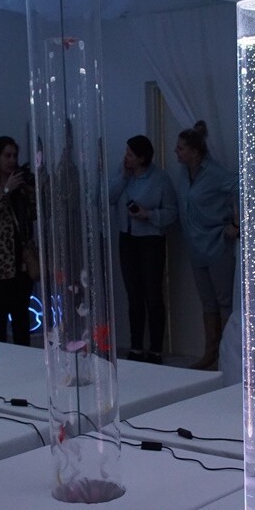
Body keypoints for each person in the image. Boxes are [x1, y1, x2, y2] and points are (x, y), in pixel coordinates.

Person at [172, 122, 239, 370]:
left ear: (194, 151)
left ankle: (228, 355)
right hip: (196, 246)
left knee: (224, 301)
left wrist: (236, 224)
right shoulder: (184, 173)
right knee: (208, 302)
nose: (176, 151)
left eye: (181, 148)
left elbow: (241, 187)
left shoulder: (215, 173)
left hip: (217, 244)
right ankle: (210, 353)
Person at [109, 135, 178, 364]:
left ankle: (156, 349)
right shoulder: (123, 174)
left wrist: (148, 214)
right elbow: (107, 197)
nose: (126, 157)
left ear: (142, 158)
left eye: (130, 154)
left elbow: (172, 212)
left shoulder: (160, 179)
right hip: (126, 238)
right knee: (134, 295)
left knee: (152, 294)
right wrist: (122, 177)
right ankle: (136, 347)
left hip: (150, 240)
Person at [0, 136, 36, 346]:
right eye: (7, 156)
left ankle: (25, 361)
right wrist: (6, 191)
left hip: (21, 266)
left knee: (21, 322)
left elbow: (35, 214)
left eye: (14, 156)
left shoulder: (20, 186)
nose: (12, 160)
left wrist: (29, 189)